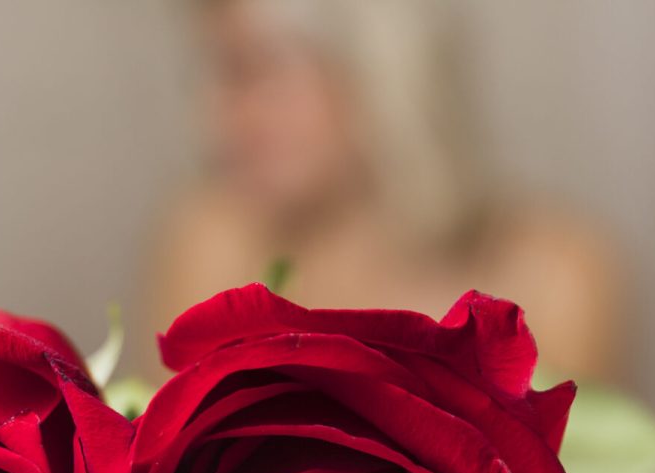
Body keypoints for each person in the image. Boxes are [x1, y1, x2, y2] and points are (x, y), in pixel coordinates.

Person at [146, 0, 625, 383]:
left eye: (253, 70)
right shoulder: (213, 245)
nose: (213, 120)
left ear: (384, 66)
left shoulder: (556, 276)